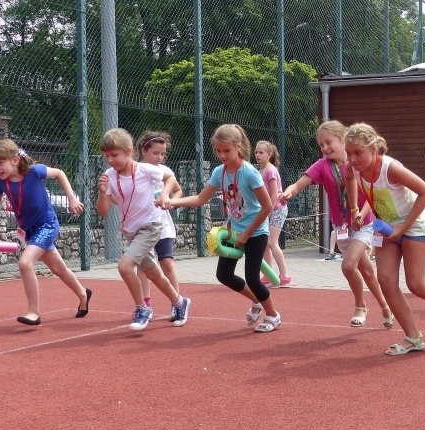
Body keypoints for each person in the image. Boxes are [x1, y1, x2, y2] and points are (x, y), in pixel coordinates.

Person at [344, 122, 425, 355]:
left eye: (358, 152)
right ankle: (413, 337)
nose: (353, 158)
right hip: (386, 226)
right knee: (387, 282)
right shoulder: (352, 168)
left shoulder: (391, 168)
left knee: (415, 284)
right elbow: (350, 179)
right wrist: (354, 211)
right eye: (349, 153)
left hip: (414, 224)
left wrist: (403, 226)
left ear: (374, 149)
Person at [164, 124, 281, 332]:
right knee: (224, 275)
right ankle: (257, 302)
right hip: (234, 231)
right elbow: (201, 198)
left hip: (256, 231)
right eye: (218, 151)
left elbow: (267, 206)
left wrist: (247, 233)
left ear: (238, 147)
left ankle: (273, 315)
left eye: (226, 150)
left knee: (252, 278)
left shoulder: (250, 172)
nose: (222, 155)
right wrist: (173, 203)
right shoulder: (220, 171)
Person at [279, 120, 392, 328]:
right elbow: (299, 183)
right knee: (366, 271)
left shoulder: (357, 163)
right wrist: (289, 192)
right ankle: (385, 307)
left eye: (328, 142)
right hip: (341, 226)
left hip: (364, 224)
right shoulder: (322, 165)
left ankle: (360, 306)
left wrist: (361, 213)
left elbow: (371, 193)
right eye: (321, 145)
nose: (325, 148)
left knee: (348, 267)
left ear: (342, 140)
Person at [0, 139, 92, 325]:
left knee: (25, 263)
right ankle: (83, 293)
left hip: (47, 224)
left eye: (0, 163)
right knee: (58, 269)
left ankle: (34, 311)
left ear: (14, 160)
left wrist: (71, 198)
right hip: (29, 230)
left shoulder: (34, 172)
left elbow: (60, 173)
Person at [96, 128, 191, 331]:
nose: (110, 160)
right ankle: (179, 301)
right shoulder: (109, 175)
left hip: (151, 225)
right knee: (154, 274)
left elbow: (171, 176)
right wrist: (103, 193)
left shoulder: (144, 169)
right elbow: (103, 212)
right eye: (106, 156)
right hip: (131, 231)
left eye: (114, 155)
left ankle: (142, 308)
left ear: (128, 151)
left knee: (124, 266)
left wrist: (165, 195)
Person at [133, 131, 184, 320]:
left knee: (166, 262)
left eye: (163, 154)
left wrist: (171, 200)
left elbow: (178, 191)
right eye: (156, 153)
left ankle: (176, 302)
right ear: (143, 150)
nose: (160, 157)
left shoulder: (164, 171)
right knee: (144, 265)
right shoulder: (135, 170)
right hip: (141, 225)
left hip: (162, 225)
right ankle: (145, 303)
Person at [255, 140, 292, 287]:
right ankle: (268, 274)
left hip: (277, 209)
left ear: (269, 154)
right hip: (269, 209)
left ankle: (285, 275)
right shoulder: (260, 171)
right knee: (265, 244)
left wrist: (267, 213)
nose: (257, 155)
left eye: (261, 152)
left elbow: (274, 195)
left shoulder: (270, 170)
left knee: (271, 242)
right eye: (256, 152)